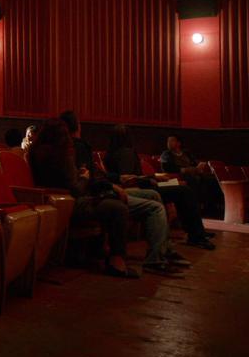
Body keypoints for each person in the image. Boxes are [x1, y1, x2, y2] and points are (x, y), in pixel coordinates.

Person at [59, 113, 189, 271]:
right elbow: (88, 180)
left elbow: (96, 176)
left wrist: (116, 178)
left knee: (155, 194)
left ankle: (164, 250)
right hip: (101, 192)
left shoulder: (80, 149)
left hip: (108, 186)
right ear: (77, 126)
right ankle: (156, 258)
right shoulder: (77, 148)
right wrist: (115, 183)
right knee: (158, 204)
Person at [28, 119, 138, 278]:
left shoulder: (36, 153)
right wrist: (85, 177)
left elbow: (61, 181)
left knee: (111, 202)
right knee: (118, 208)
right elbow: (75, 190)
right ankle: (117, 261)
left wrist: (78, 177)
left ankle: (97, 251)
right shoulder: (61, 154)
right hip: (70, 204)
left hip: (51, 201)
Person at [105, 125, 215, 250]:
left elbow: (131, 177)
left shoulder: (112, 153)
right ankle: (196, 236)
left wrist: (155, 177)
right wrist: (153, 180)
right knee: (184, 191)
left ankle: (196, 232)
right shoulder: (126, 153)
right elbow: (130, 179)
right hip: (142, 188)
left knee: (181, 187)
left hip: (146, 184)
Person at [160, 134, 223, 215]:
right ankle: (194, 208)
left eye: (172, 140)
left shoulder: (186, 153)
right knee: (193, 180)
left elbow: (193, 164)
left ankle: (211, 207)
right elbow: (166, 167)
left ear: (179, 143)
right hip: (180, 175)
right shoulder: (166, 154)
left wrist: (198, 168)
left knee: (212, 179)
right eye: (168, 141)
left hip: (192, 172)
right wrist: (184, 170)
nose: (169, 143)